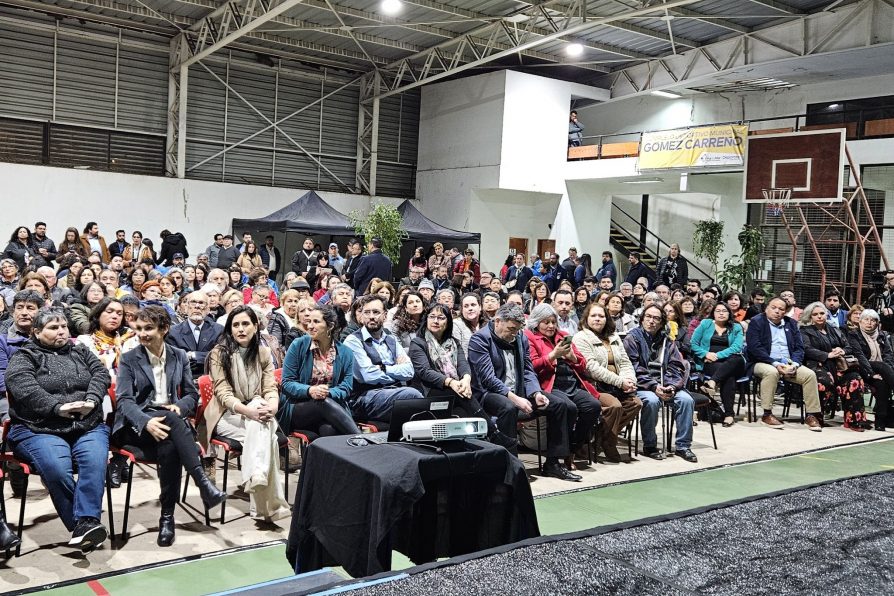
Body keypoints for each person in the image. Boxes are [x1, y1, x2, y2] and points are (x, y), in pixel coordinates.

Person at [113, 305, 224, 545]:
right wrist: (146, 421)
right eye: (139, 328)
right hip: (137, 426)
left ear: (164, 329)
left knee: (171, 445)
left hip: (170, 427)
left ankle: (167, 518)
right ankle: (201, 483)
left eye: (148, 328)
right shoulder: (130, 359)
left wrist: (180, 407)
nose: (142, 334)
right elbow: (124, 401)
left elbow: (191, 395)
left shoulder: (179, 355)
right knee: (172, 423)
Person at [6, 307, 111, 551]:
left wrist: (92, 400)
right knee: (56, 468)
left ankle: (86, 524)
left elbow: (100, 374)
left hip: (86, 424)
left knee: (94, 462)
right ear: (36, 332)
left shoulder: (80, 350)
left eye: (64, 326)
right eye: (53, 328)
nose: (61, 331)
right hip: (39, 428)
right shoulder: (24, 356)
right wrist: (57, 407)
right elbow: (24, 387)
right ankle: (83, 524)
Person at [467, 303, 579, 480]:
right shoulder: (480, 339)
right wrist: (514, 399)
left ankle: (553, 464)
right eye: (511, 329)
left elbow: (528, 370)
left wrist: (536, 393)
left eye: (517, 330)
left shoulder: (520, 337)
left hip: (518, 391)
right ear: (498, 321)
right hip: (488, 395)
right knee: (508, 408)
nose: (514, 334)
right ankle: (512, 466)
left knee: (559, 405)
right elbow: (487, 379)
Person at [202, 305, 289, 521]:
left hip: (256, 412)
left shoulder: (263, 353)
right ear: (230, 329)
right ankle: (270, 508)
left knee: (261, 427)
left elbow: (270, 387)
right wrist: (248, 411)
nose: (240, 329)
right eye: (235, 325)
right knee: (266, 435)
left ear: (255, 326)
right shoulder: (218, 354)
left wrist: (273, 407)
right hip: (225, 414)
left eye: (245, 324)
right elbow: (223, 395)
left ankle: (255, 476)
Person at [524, 304, 600, 471]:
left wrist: (571, 357)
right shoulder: (530, 338)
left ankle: (572, 448)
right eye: (546, 322)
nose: (551, 326)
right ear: (536, 322)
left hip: (572, 384)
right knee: (569, 407)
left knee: (593, 406)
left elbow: (582, 364)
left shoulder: (563, 336)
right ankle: (559, 456)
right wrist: (553, 356)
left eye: (553, 322)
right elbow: (532, 366)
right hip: (550, 385)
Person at [623, 304, 698, 462]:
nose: (651, 321)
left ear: (662, 321)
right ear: (642, 319)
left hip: (666, 384)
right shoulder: (632, 338)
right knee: (651, 401)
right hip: (643, 385)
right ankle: (649, 445)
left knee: (686, 400)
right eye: (648, 317)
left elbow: (678, 366)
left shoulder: (667, 341)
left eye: (656, 318)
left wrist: (671, 386)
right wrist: (654, 386)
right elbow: (633, 368)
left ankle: (683, 446)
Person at [572, 303, 642, 463]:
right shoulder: (581, 338)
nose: (597, 319)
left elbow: (625, 361)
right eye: (593, 316)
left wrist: (630, 379)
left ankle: (601, 439)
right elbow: (592, 369)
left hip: (617, 385)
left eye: (601, 316)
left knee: (636, 403)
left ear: (607, 318)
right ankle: (609, 442)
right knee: (614, 406)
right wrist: (620, 382)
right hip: (594, 385)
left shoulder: (614, 337)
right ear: (586, 319)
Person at [279, 304, 359, 438]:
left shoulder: (346, 353)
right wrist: (310, 390)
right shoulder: (298, 345)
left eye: (316, 322)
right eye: (309, 321)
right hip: (298, 407)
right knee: (323, 403)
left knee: (329, 430)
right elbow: (287, 383)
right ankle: (360, 439)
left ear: (331, 326)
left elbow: (346, 388)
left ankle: (320, 459)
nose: (310, 326)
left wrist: (328, 392)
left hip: (331, 409)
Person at [746, 296, 823, 431]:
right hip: (763, 362)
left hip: (788, 363)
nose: (777, 311)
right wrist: (775, 363)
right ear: (766, 308)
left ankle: (811, 415)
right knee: (772, 372)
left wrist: (795, 364)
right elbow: (754, 348)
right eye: (773, 307)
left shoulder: (791, 323)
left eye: (781, 309)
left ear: (785, 312)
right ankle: (767, 414)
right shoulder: (757, 322)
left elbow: (799, 348)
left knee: (809, 375)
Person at [343, 295, 422, 422]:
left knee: (419, 399)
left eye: (376, 312)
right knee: (412, 396)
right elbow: (368, 376)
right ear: (362, 316)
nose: (371, 316)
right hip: (364, 397)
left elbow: (409, 371)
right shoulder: (353, 340)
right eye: (367, 312)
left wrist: (383, 368)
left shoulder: (391, 339)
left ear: (385, 315)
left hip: (392, 391)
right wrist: (396, 370)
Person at [799, 302, 868, 431]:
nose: (819, 316)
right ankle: (815, 417)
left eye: (822, 313)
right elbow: (807, 349)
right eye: (815, 314)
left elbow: (848, 346)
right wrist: (828, 355)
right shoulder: (805, 331)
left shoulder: (834, 329)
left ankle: (853, 421)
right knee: (824, 381)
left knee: (855, 379)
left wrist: (842, 351)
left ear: (826, 314)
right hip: (817, 364)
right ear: (810, 317)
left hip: (838, 365)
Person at [690, 301, 746, 427]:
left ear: (729, 313)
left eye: (724, 311)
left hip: (732, 362)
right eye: (718, 311)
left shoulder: (736, 327)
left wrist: (716, 356)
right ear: (713, 313)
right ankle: (729, 415)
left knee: (736, 358)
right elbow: (693, 344)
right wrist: (706, 354)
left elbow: (736, 347)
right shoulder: (705, 324)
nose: (721, 313)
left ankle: (712, 382)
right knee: (728, 377)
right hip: (710, 362)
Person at [848, 309, 894, 431]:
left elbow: (889, 354)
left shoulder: (882, 335)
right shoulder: (854, 334)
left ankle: (880, 421)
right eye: (866, 319)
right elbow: (860, 356)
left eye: (873, 320)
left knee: (882, 383)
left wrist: (885, 370)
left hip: (883, 370)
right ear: (860, 322)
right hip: (863, 368)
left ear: (877, 323)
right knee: (883, 366)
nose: (869, 323)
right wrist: (872, 373)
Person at [165, 292, 224, 378]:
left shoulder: (219, 330)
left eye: (201, 303)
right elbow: (174, 359)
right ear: (186, 308)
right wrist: (205, 358)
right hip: (183, 379)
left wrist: (192, 355)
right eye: (193, 302)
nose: (197, 306)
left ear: (208, 309)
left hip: (211, 378)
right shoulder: (173, 332)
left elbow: (221, 357)